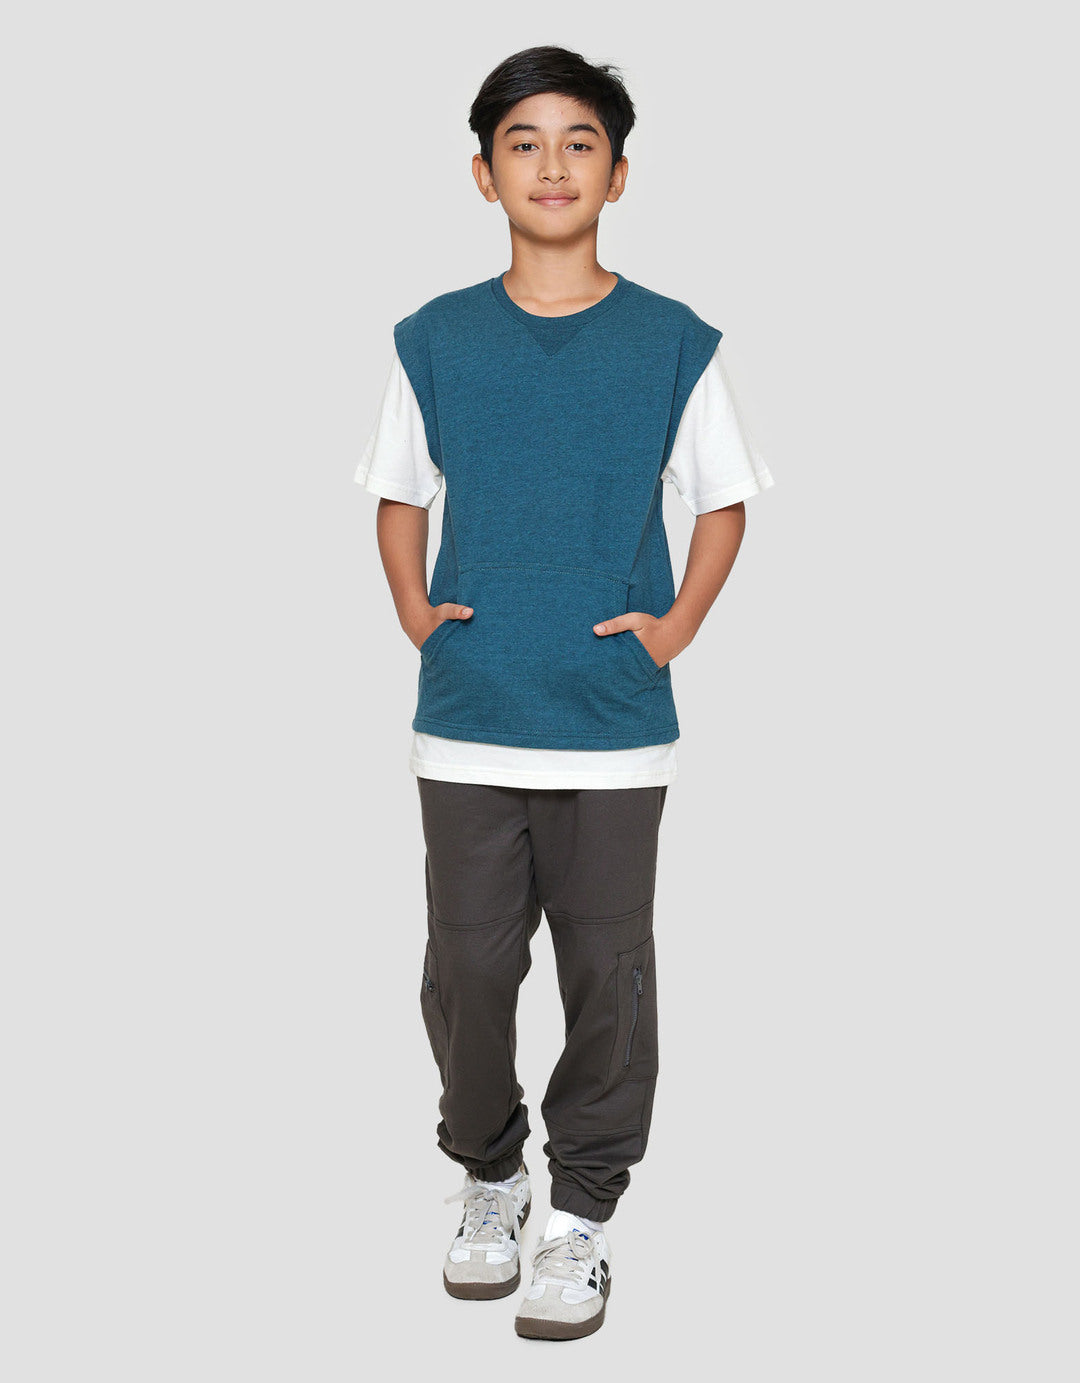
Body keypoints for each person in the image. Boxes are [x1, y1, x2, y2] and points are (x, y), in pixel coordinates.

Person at [355, 45, 775, 1341]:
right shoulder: (435, 338)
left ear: (619, 173)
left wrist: (675, 629)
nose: (552, 164)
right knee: (470, 968)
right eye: (523, 143)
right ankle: (490, 1174)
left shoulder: (671, 342)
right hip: (470, 718)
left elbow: (724, 499)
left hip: (610, 726)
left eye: (579, 141)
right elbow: (398, 492)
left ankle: (581, 1213)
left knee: (607, 971)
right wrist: (416, 612)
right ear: (484, 175)